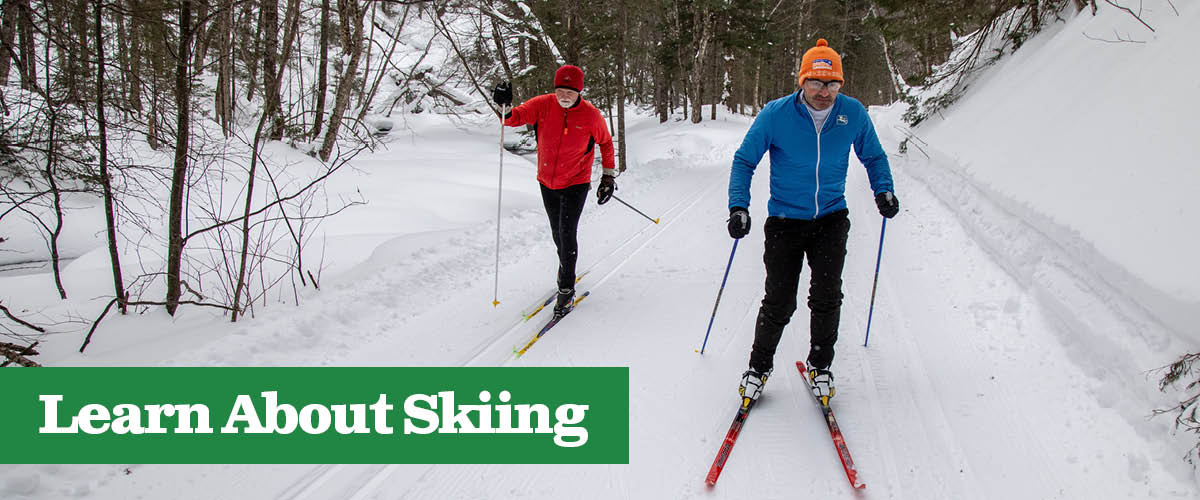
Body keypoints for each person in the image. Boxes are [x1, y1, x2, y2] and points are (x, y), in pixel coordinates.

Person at [727, 39, 899, 406]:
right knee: (779, 301)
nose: (825, 92)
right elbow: (744, 161)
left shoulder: (852, 114)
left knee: (826, 297)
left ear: (841, 84)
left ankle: (820, 366)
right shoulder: (776, 114)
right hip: (785, 221)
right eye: (817, 83)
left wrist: (883, 190)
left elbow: (874, 156)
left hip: (831, 219)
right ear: (802, 81)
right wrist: (738, 206)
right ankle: (758, 369)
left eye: (832, 84)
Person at [491, 65, 618, 319]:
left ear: (579, 91)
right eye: (560, 90)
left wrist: (607, 177)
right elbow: (512, 119)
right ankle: (565, 268)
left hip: (576, 183)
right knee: (557, 234)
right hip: (547, 182)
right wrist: (503, 104)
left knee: (567, 233)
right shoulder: (543, 104)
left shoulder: (591, 115)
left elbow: (605, 143)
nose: (564, 96)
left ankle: (567, 288)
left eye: (569, 92)